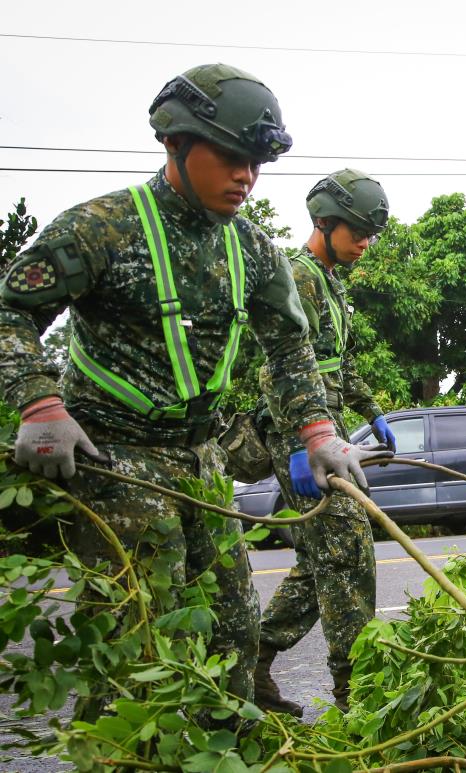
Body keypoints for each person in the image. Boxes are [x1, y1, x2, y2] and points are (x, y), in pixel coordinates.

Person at [0, 63, 389, 717]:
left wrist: (320, 431)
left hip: (201, 458)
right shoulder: (102, 228)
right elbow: (11, 311)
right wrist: (38, 401)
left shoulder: (255, 252)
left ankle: (223, 745)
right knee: (136, 644)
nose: (246, 176)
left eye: (257, 163)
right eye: (232, 157)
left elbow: (291, 349)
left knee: (231, 627)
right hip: (114, 458)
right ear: (176, 142)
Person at [253, 169, 395, 716]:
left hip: (326, 435)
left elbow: (338, 361)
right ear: (323, 222)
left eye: (370, 234)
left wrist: (371, 410)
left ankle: (251, 664)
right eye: (357, 231)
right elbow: (277, 366)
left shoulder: (331, 280)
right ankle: (355, 696)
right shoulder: (298, 277)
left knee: (321, 563)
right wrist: (299, 438)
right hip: (301, 441)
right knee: (349, 557)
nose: (365, 243)